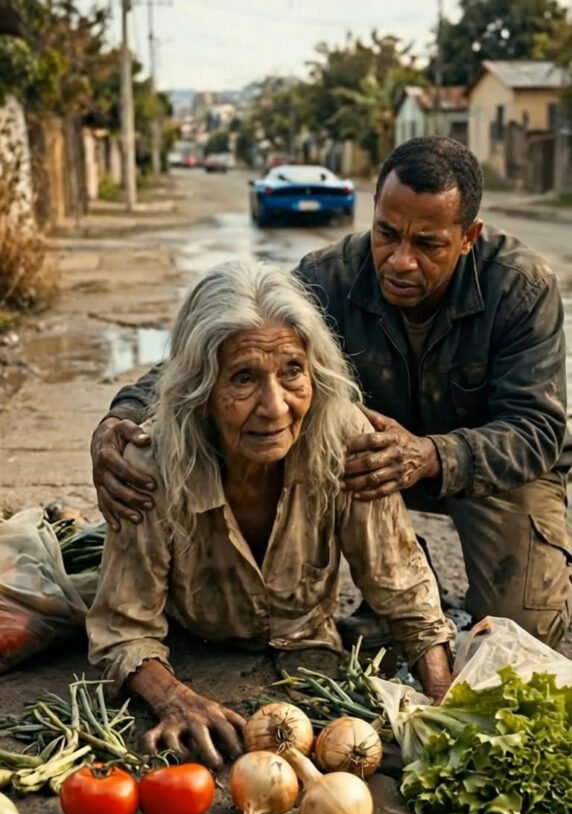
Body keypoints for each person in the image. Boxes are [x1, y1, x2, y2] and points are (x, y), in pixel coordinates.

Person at [90, 136, 572, 648]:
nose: (400, 261)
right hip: (369, 465)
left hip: (488, 469)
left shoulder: (521, 286)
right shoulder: (327, 276)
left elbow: (537, 429)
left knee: (523, 631)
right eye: (387, 233)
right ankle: (403, 565)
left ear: (468, 236)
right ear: (373, 212)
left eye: (427, 244)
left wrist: (431, 454)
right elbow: (210, 356)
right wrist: (120, 417)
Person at [86, 260, 454, 769]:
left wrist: (445, 706)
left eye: (292, 372)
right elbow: (121, 630)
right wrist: (174, 697)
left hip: (310, 644)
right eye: (243, 378)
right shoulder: (151, 463)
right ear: (203, 391)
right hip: (198, 641)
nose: (275, 407)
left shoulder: (344, 436)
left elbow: (405, 590)